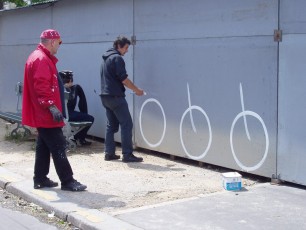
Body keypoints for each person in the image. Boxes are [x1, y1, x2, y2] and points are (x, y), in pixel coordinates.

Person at [22, 29, 87, 191]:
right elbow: (41, 86)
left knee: (43, 146)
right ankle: (68, 181)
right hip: (46, 113)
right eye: (58, 42)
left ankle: (40, 178)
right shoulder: (42, 59)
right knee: (59, 146)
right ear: (52, 42)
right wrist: (51, 106)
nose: (59, 46)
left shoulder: (38, 57)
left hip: (43, 112)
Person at [100, 35, 145, 163]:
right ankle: (127, 154)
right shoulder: (117, 58)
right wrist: (137, 90)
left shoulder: (105, 59)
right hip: (116, 97)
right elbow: (124, 79)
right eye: (125, 48)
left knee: (111, 125)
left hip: (105, 97)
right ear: (118, 46)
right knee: (127, 124)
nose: (127, 51)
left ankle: (109, 153)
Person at [59, 70, 94, 146]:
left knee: (86, 117)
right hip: (67, 114)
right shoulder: (73, 88)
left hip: (60, 114)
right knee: (90, 118)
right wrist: (85, 114)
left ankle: (77, 137)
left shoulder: (58, 89)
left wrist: (84, 113)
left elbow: (82, 102)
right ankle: (78, 137)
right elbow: (83, 103)